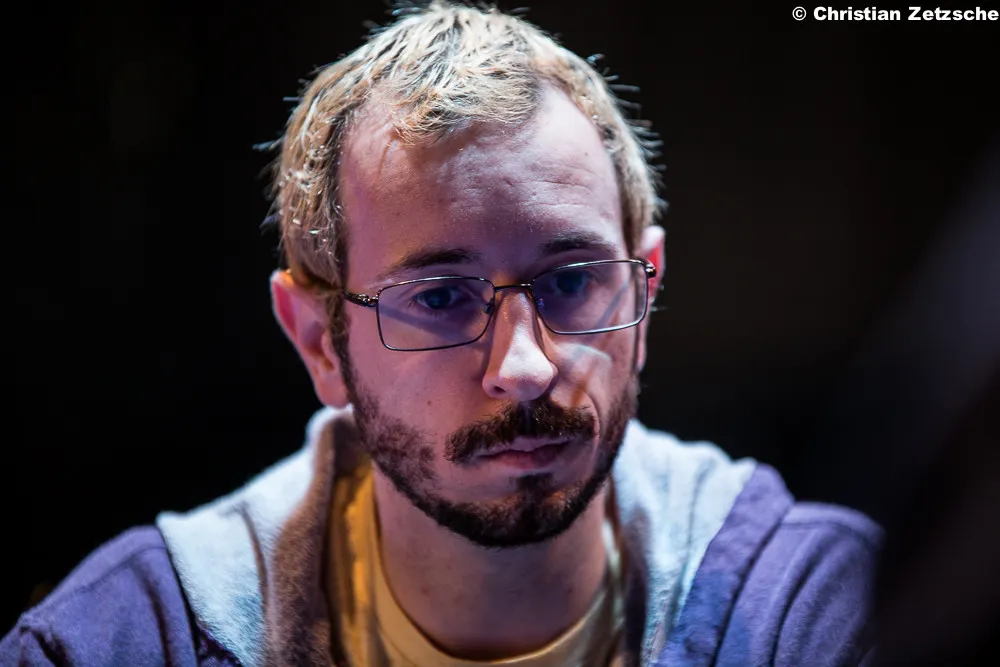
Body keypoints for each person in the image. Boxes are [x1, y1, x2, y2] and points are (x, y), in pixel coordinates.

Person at [1, 2, 882, 665]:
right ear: (319, 342)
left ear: (645, 290)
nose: (524, 367)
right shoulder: (122, 639)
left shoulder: (828, 614)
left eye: (571, 281)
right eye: (440, 297)